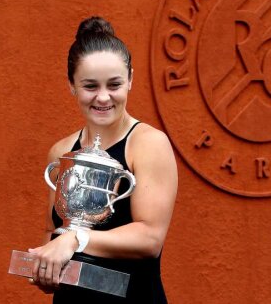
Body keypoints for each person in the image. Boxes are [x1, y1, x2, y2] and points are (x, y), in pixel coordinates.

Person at [28, 16, 178, 303]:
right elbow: (54, 230)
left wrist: (75, 240)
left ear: (131, 79)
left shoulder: (148, 144)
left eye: (114, 84)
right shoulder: (61, 152)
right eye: (90, 86)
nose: (103, 97)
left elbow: (150, 239)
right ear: (71, 84)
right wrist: (47, 267)